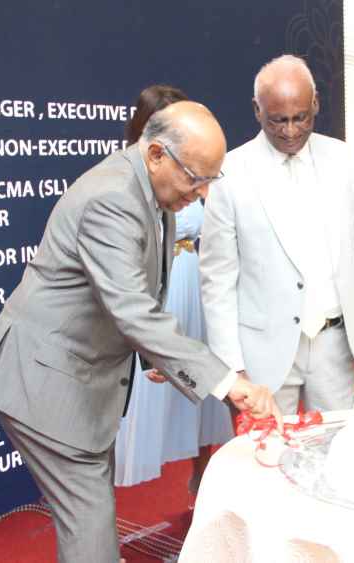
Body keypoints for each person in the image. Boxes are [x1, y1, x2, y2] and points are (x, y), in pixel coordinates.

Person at [0, 101, 282, 563]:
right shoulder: (112, 197)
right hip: (43, 381)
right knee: (90, 524)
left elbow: (129, 292)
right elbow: (132, 309)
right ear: (157, 153)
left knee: (88, 518)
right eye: (194, 177)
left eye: (209, 181)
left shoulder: (152, 187)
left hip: (74, 379)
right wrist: (226, 381)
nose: (200, 194)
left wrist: (153, 355)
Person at [200, 54, 354, 415]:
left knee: (334, 448)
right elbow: (218, 280)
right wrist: (230, 363)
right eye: (278, 120)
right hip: (261, 350)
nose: (290, 131)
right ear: (257, 110)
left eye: (300, 117)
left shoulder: (345, 161)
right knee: (266, 456)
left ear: (316, 104)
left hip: (333, 342)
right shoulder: (230, 173)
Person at [114, 86, 232, 498]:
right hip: (148, 294)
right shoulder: (121, 190)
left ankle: (201, 480)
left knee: (199, 398)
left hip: (192, 282)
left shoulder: (195, 179)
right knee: (143, 395)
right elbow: (128, 302)